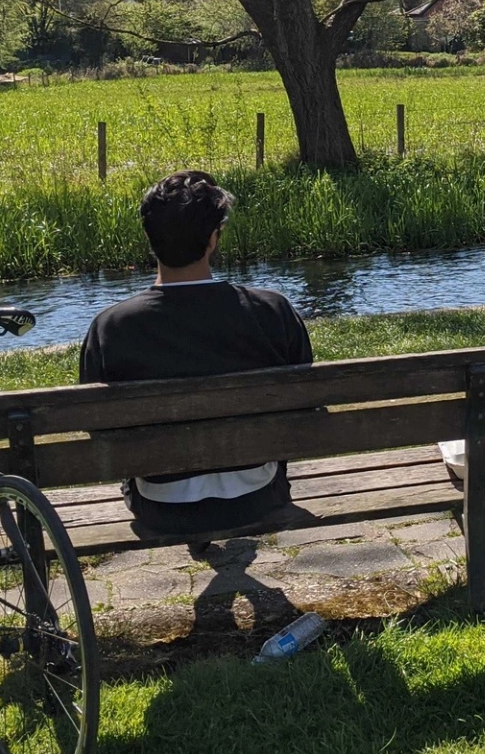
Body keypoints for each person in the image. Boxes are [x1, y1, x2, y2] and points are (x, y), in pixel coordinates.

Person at [79, 169, 312, 547]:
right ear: (213, 238)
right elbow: (306, 404)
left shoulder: (112, 327)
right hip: (256, 496)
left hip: (162, 506)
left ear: (149, 237)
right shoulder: (272, 311)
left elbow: (97, 427)